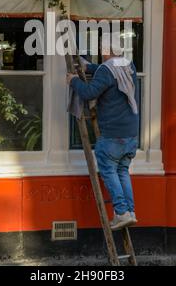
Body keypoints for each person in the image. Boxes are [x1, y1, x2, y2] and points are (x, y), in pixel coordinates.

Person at [67, 49, 139, 230]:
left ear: (107, 52)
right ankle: (130, 212)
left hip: (112, 136)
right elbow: (106, 71)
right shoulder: (129, 66)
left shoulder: (107, 70)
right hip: (131, 134)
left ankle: (121, 213)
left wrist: (73, 80)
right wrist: (88, 67)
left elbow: (89, 92)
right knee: (122, 171)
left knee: (109, 171)